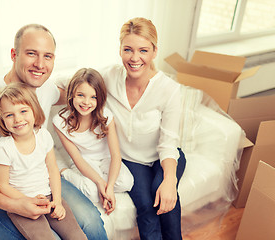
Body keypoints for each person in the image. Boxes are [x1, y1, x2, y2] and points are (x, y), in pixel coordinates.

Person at [0, 24, 107, 240]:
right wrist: (14, 204)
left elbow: (74, 94)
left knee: (89, 222)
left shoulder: (45, 87)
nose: (40, 64)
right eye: (31, 53)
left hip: (42, 181)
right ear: (14, 54)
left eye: (48, 56)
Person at [57, 17, 186, 240]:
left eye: (143, 50)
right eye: (128, 50)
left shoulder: (170, 90)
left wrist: (169, 180)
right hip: (132, 161)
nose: (135, 58)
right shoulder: (109, 77)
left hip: (166, 157)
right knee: (147, 206)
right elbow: (71, 82)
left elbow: (168, 143)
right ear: (120, 50)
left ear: (154, 51)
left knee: (164, 196)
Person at [0, 83, 87, 240]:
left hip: (48, 196)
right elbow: (2, 185)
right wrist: (28, 201)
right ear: (1, 119)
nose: (18, 119)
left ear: (34, 110)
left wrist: (57, 200)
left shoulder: (43, 136)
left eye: (23, 111)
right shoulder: (4, 148)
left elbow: (53, 170)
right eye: (9, 115)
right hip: (21, 203)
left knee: (77, 236)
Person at [52, 68, 134, 215]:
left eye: (93, 97)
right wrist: (100, 183)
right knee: (93, 193)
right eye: (81, 95)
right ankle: (64, 172)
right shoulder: (59, 122)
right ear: (71, 95)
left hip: (106, 159)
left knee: (127, 182)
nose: (86, 102)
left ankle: (101, 184)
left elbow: (116, 155)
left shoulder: (106, 116)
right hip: (83, 162)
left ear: (100, 98)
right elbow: (77, 158)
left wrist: (108, 188)